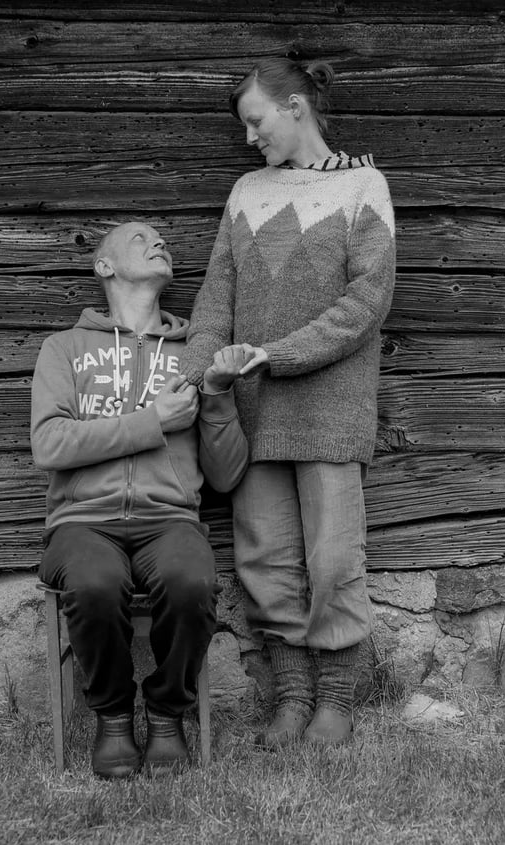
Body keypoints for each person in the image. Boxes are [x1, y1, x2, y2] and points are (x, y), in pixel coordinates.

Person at [180, 57, 396, 748]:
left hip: (331, 409)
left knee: (333, 560)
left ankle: (336, 698)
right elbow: (216, 298)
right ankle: (293, 698)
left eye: (256, 121)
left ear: (296, 107)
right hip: (253, 412)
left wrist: (278, 353)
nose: (250, 139)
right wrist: (195, 372)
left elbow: (366, 304)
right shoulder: (245, 192)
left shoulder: (363, 186)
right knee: (266, 562)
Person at [31, 221, 249, 778]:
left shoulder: (192, 356)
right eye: (139, 239)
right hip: (83, 521)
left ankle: (167, 715)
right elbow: (50, 444)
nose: (159, 243)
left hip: (169, 520)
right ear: (104, 266)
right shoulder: (65, 349)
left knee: (190, 581)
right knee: (94, 583)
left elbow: (226, 476)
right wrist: (152, 422)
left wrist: (218, 397)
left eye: (162, 240)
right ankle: (112, 717)